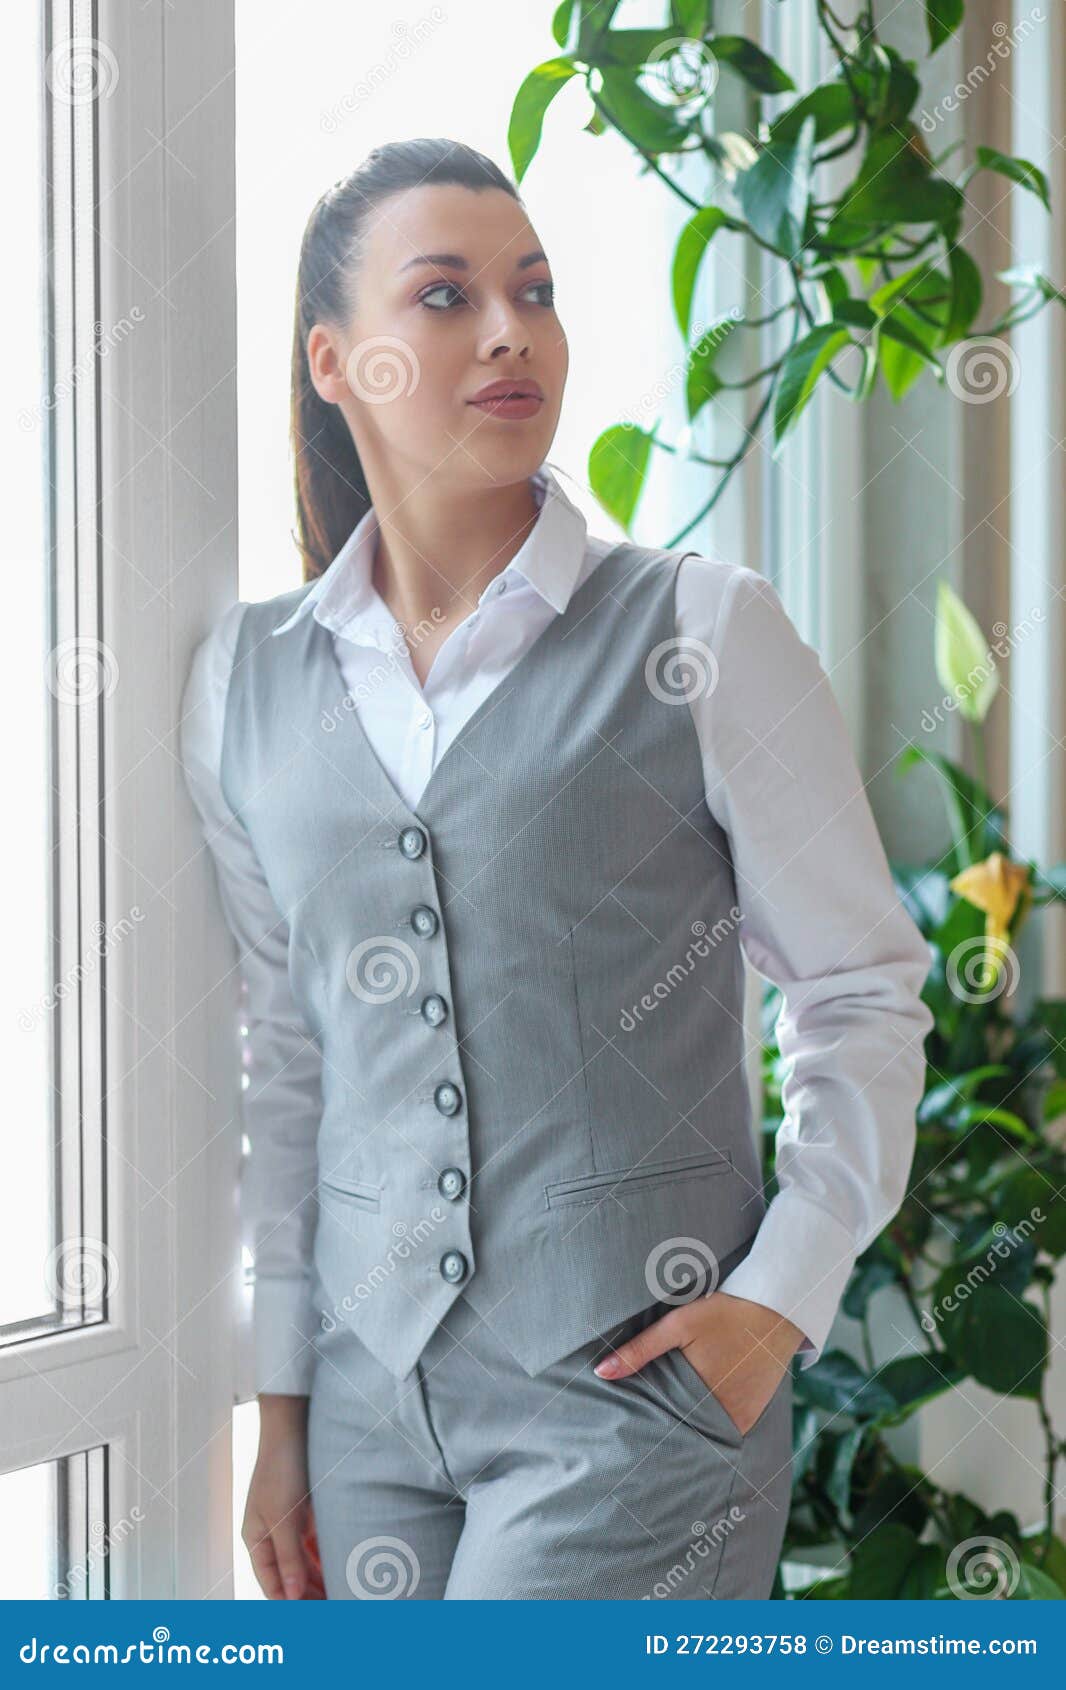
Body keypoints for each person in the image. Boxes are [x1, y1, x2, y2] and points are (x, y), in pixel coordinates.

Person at [180, 137, 934, 1601]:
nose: (509, 329)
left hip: (633, 1411)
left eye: (532, 289)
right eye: (446, 296)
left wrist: (777, 1300)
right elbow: (287, 1059)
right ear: (334, 362)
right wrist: (279, 1413)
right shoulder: (246, 684)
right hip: (365, 1419)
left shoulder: (703, 629)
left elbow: (858, 988)